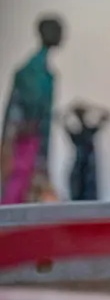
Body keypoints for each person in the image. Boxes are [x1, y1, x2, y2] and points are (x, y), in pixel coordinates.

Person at [1, 15, 65, 205]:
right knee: (18, 193)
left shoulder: (45, 72)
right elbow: (19, 110)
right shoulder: (32, 71)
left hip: (33, 145)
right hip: (25, 145)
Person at [62, 101, 110, 201]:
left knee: (87, 195)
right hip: (81, 169)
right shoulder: (78, 135)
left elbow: (107, 116)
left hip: (87, 170)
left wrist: (91, 108)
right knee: (78, 195)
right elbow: (62, 121)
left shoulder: (88, 132)